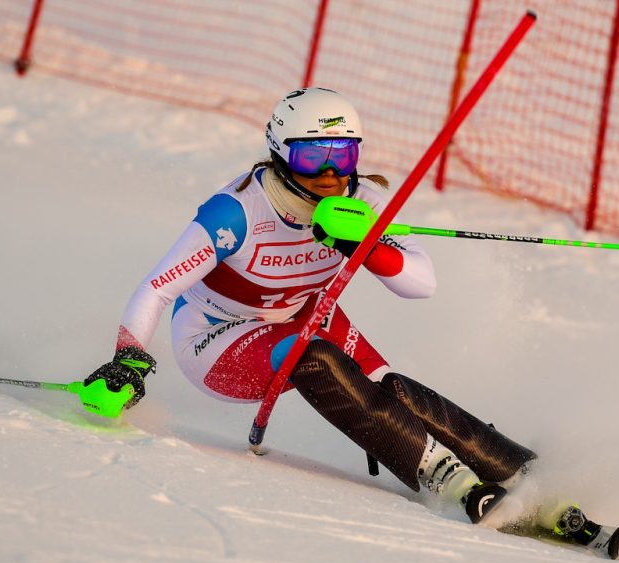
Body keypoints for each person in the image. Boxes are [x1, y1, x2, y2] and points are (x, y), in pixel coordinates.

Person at [81, 87, 584, 537]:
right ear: (280, 154)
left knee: (392, 386)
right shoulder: (235, 211)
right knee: (314, 354)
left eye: (341, 154)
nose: (328, 172)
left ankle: (520, 472)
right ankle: (441, 475)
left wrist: (366, 245)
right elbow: (156, 288)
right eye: (311, 156)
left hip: (304, 314)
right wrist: (128, 358)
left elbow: (420, 283)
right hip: (217, 340)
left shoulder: (363, 201)